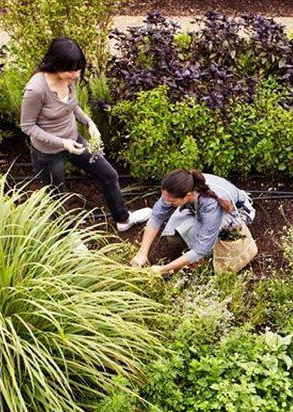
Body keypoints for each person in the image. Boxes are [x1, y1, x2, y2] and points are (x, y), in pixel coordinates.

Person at [20, 37, 150, 231]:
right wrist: (62, 143)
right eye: (71, 70)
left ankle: (123, 220)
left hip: (75, 141)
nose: (76, 74)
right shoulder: (36, 90)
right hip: (48, 153)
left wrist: (90, 123)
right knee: (57, 196)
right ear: (55, 65)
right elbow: (27, 126)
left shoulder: (68, 80)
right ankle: (68, 238)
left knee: (109, 175)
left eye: (78, 69)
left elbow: (72, 106)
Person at [131, 169, 255, 274]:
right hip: (199, 209)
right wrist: (142, 253)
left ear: (188, 195)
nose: (166, 203)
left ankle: (205, 259)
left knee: (195, 234)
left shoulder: (210, 204)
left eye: (172, 201)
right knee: (174, 231)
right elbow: (156, 217)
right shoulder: (181, 188)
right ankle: (191, 251)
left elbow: (201, 249)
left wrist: (163, 269)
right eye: (165, 199)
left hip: (235, 213)